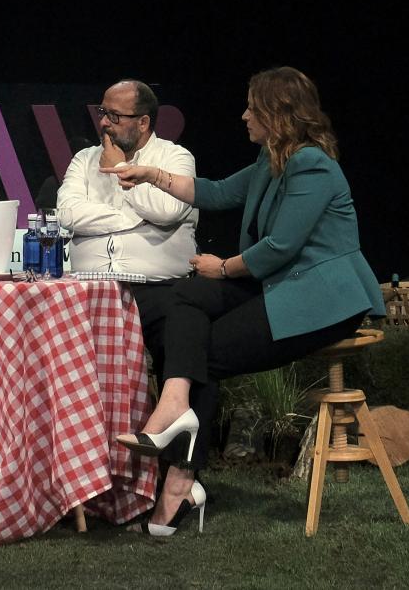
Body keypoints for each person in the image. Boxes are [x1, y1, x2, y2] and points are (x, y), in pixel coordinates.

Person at [101, 66, 385, 536]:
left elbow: (282, 247)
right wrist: (148, 173)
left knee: (200, 354)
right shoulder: (271, 163)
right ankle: (174, 407)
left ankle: (180, 480)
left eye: (253, 107)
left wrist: (225, 266)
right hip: (281, 283)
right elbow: (212, 192)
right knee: (185, 297)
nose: (243, 115)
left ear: (278, 114)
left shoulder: (312, 164)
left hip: (321, 298)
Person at [54, 79, 196, 332]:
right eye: (103, 112)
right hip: (87, 290)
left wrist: (120, 169)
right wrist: (137, 217)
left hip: (159, 291)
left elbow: (167, 211)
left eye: (115, 116)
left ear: (143, 123)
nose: (104, 123)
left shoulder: (176, 158)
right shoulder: (84, 159)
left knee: (177, 332)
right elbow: (67, 215)